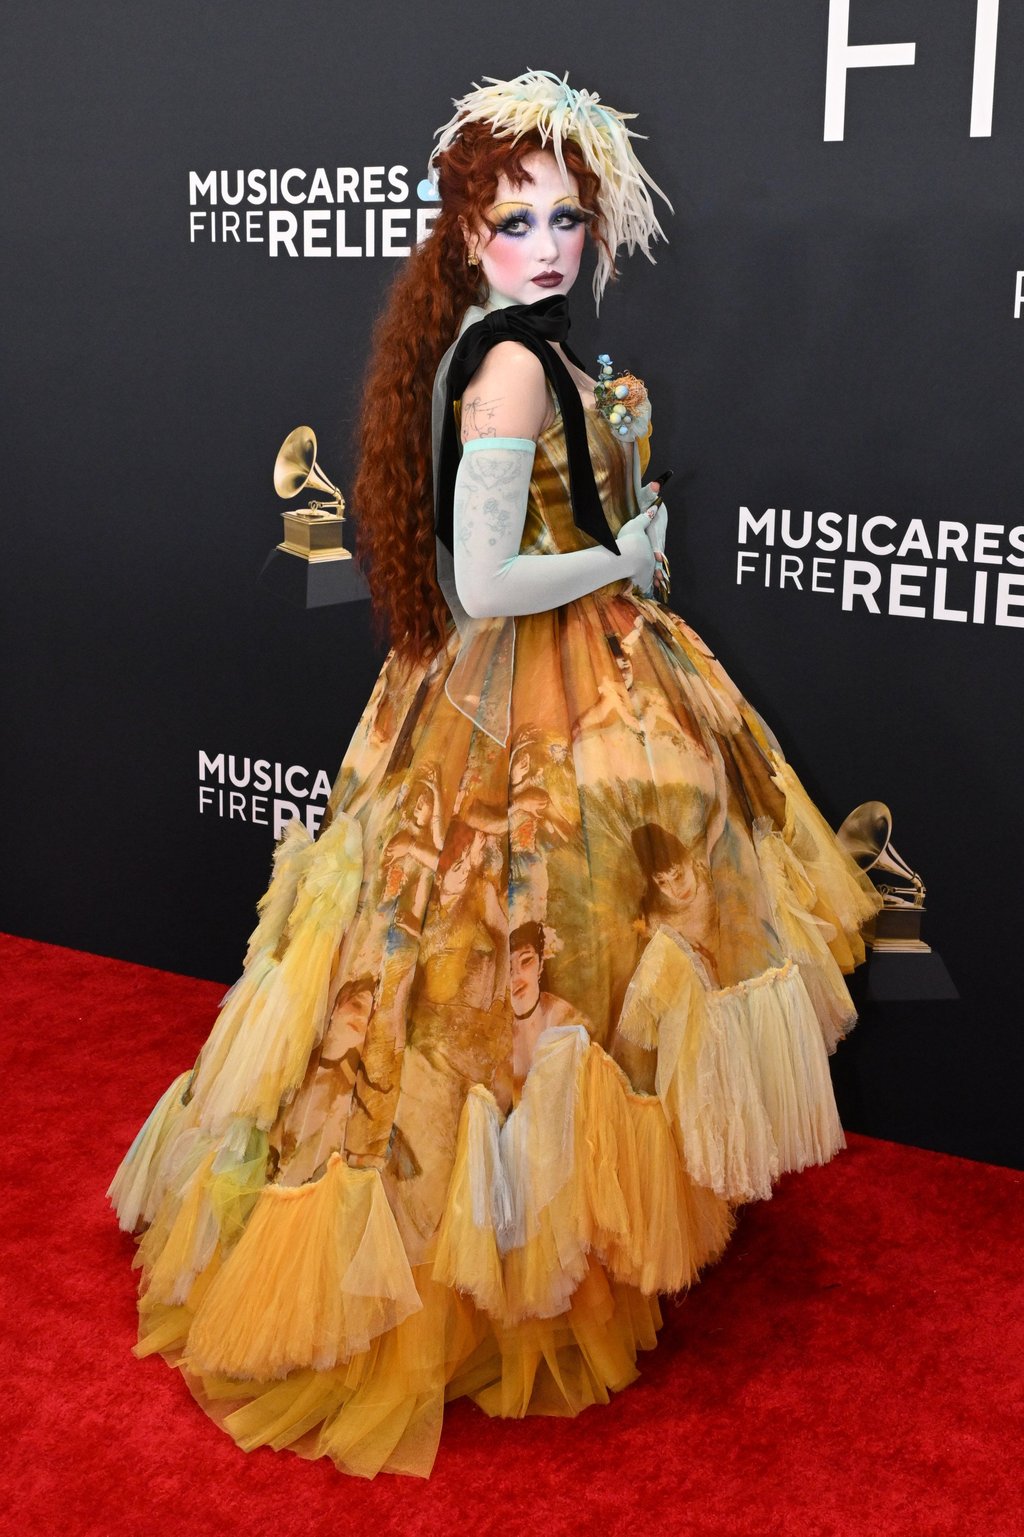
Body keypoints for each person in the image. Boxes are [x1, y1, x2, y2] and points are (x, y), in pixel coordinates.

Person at [107, 68, 883, 1480]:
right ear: (466, 233)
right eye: (515, 218)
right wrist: (630, 560)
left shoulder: (511, 345)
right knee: (504, 972)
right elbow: (481, 581)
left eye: (567, 220)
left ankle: (550, 1238)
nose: (546, 243)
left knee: (533, 973)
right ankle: (507, 1264)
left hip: (554, 683)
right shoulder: (516, 359)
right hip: (518, 696)